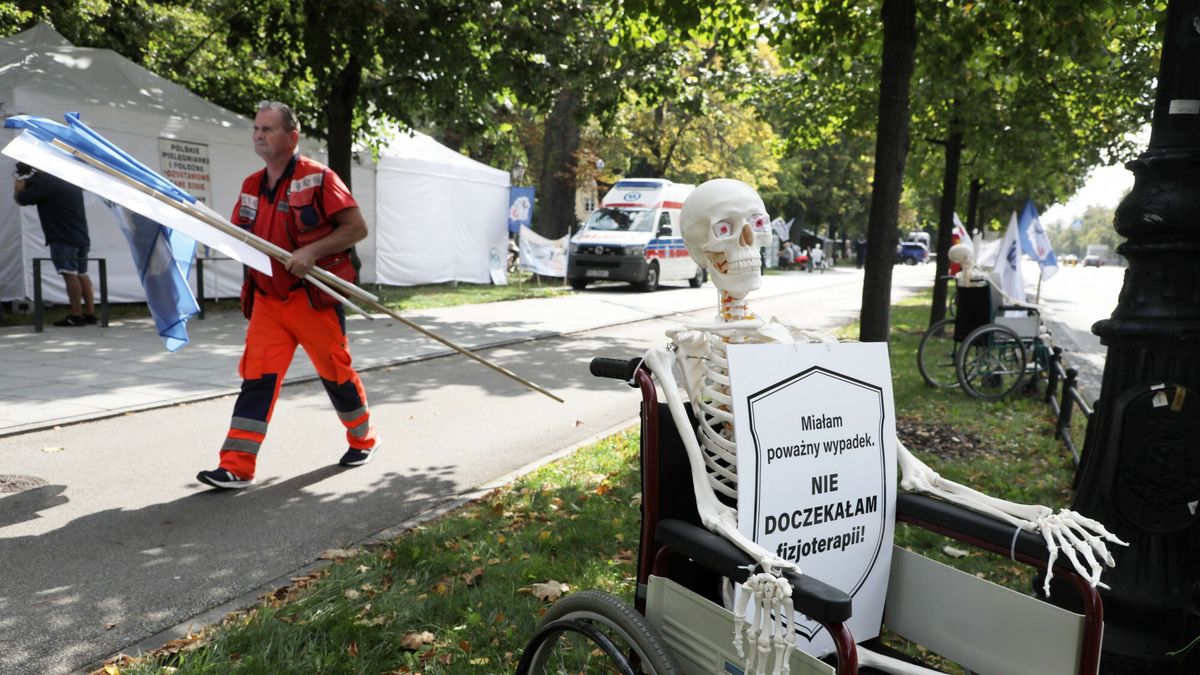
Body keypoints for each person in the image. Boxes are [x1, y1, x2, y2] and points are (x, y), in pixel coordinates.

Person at [196, 101, 379, 489]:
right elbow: (239, 236)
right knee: (257, 379)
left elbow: (356, 228)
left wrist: (312, 252)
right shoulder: (250, 185)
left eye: (268, 129)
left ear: (292, 137)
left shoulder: (320, 177)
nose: (259, 135)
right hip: (268, 300)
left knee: (336, 373)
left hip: (310, 298)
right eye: (256, 129)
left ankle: (363, 439)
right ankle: (236, 466)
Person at [13, 162, 96, 326]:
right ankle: (90, 314)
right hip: (80, 235)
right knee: (82, 274)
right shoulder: (67, 179)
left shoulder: (47, 182)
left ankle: (76, 315)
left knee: (69, 274)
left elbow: (22, 199)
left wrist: (19, 181)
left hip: (62, 236)